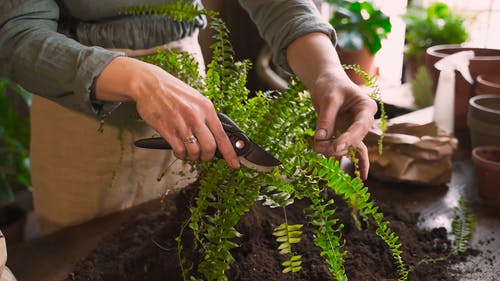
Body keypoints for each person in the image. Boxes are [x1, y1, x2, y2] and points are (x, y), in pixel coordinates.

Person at [0, 0, 377, 235]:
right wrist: (137, 78)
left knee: (189, 239)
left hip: (194, 105)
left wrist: (326, 72)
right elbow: (16, 36)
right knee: (82, 255)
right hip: (78, 106)